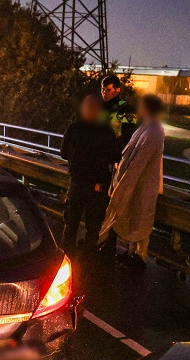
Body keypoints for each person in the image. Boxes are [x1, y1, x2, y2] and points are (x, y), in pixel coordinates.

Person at [100, 94, 167, 269]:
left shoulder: (154, 131)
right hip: (135, 182)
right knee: (133, 217)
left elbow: (139, 161)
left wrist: (124, 183)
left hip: (142, 184)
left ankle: (140, 256)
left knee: (141, 219)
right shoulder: (145, 128)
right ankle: (131, 252)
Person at [60, 94, 117, 251]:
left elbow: (63, 153)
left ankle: (66, 253)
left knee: (71, 221)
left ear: (84, 109)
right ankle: (89, 256)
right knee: (93, 224)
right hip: (98, 186)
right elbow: (114, 157)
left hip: (78, 183)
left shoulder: (75, 129)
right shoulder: (107, 132)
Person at [100, 74, 138, 153]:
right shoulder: (99, 107)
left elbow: (127, 137)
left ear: (117, 90)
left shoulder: (127, 109)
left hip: (115, 154)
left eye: (108, 90)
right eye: (102, 89)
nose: (104, 93)